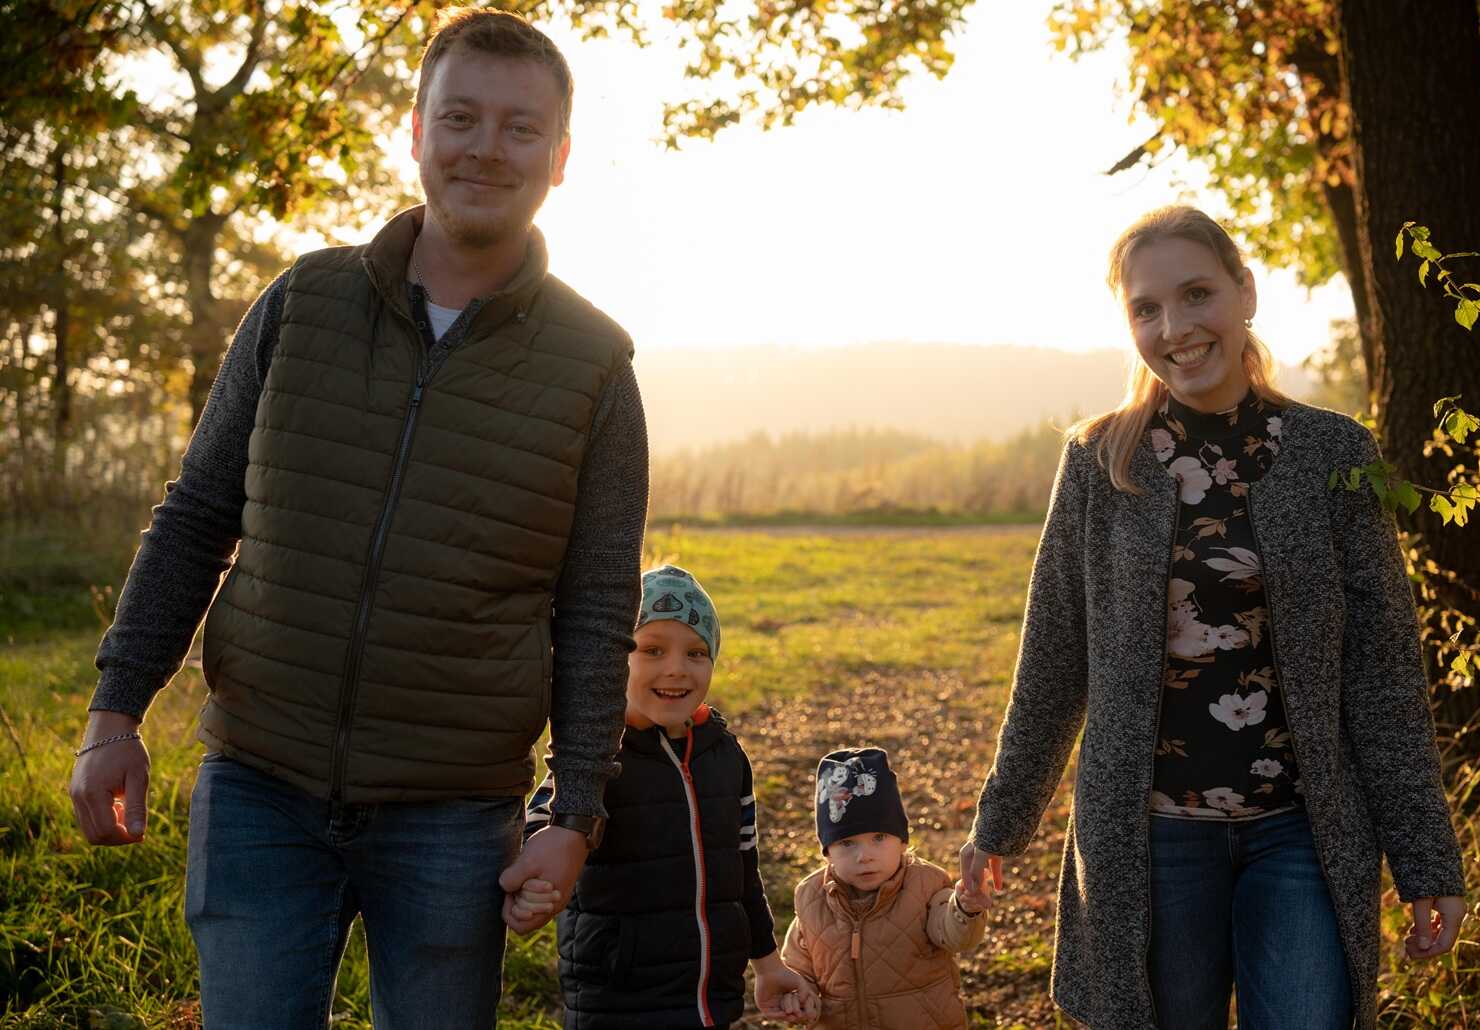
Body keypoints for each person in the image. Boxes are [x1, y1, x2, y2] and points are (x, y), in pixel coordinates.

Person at [65, 9, 647, 1027]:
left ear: (559, 159)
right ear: (416, 133)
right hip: (258, 789)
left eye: (520, 127)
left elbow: (597, 605)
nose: (485, 147)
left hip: (455, 816)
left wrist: (574, 812)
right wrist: (117, 709)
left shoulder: (594, 364)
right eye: (460, 117)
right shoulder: (303, 302)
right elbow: (197, 516)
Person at [958, 205, 1467, 1029]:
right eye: (1145, 309)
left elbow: (1381, 674)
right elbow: (1053, 659)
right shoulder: (1099, 462)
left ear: (1245, 293)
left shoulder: (1333, 454)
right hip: (1148, 843)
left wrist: (1424, 858)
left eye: (1196, 294)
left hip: (1302, 835)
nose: (1174, 328)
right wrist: (1000, 822)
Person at [521, 565, 819, 1028]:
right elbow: (538, 832)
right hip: (618, 1003)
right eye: (653, 650)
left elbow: (743, 869)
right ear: (617, 657)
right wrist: (534, 885)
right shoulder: (593, 756)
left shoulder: (725, 755)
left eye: (696, 652)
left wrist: (767, 964)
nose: (677, 668)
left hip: (711, 1000)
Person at [782, 747, 989, 1029]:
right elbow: (797, 963)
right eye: (847, 843)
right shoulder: (811, 898)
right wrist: (798, 994)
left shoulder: (926, 885)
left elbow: (955, 936)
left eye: (879, 838)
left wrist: (964, 908)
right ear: (827, 852)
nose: (864, 856)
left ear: (902, 841)